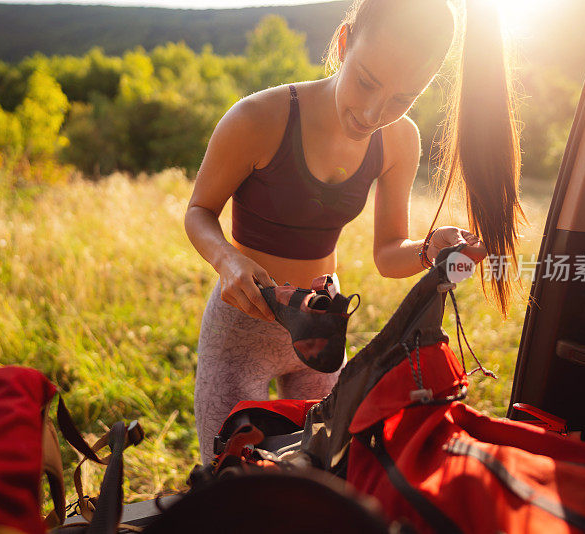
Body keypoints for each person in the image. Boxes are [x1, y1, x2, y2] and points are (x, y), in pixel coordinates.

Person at [184, 0, 524, 463]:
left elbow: (388, 254)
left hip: (324, 325)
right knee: (228, 476)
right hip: (242, 326)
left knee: (322, 473)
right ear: (344, 43)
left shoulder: (399, 140)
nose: (371, 112)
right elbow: (199, 211)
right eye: (366, 81)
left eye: (402, 99)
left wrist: (428, 249)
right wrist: (228, 260)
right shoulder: (257, 119)